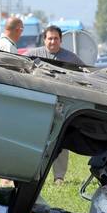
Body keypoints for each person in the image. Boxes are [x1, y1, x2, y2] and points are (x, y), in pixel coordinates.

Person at [23, 26, 83, 184]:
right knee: (36, 140)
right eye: (49, 38)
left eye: (56, 38)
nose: (52, 41)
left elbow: (85, 76)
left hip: (61, 107)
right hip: (38, 105)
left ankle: (59, 177)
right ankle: (33, 174)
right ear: (44, 40)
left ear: (61, 40)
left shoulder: (71, 58)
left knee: (60, 140)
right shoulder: (32, 55)